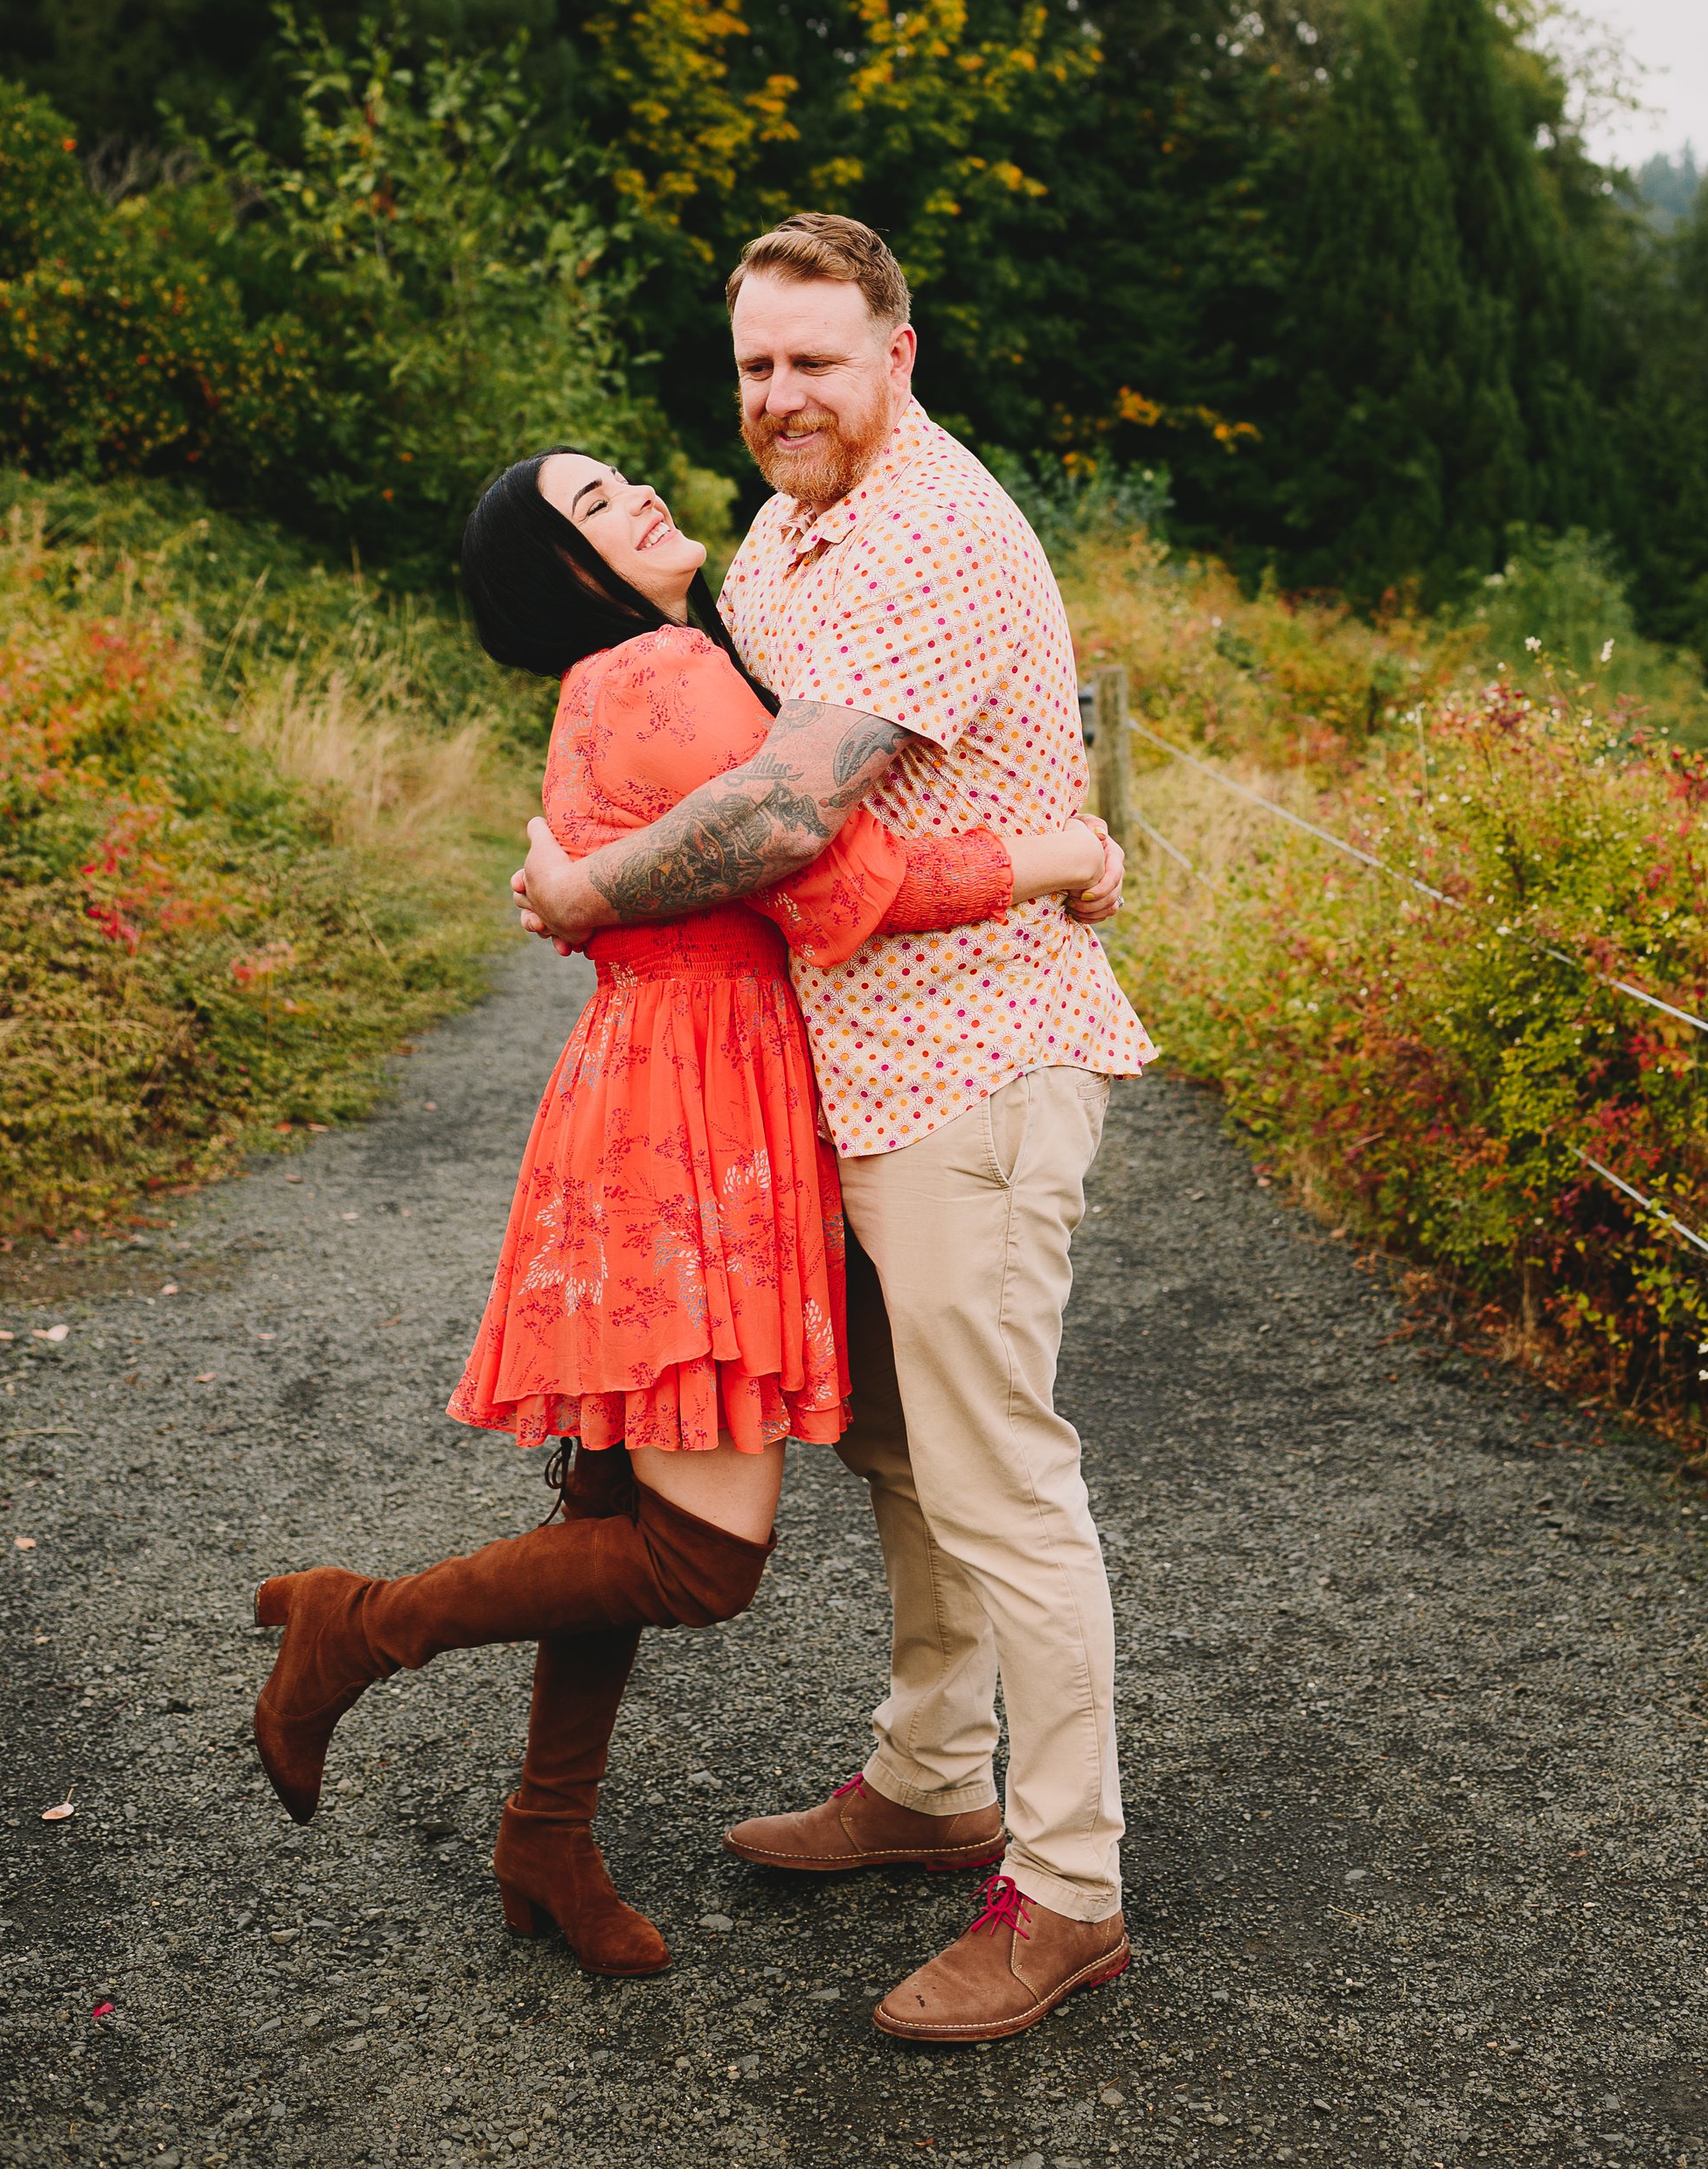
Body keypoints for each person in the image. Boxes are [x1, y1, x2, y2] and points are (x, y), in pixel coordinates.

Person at [249, 443, 1116, 1982]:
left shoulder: (632, 677)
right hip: (692, 1116)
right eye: (590, 509)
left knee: (616, 1506)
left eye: (618, 478)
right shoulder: (662, 673)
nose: (635, 498)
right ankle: (357, 1625)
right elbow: (845, 886)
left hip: (657, 1093)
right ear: (564, 574)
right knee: (701, 1556)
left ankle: (548, 1829)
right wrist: (1060, 853)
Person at [514, 212, 1154, 2046]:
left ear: (899, 354)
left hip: (970, 1070)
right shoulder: (792, 535)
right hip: (848, 1078)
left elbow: (787, 818)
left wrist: (581, 892)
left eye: (815, 359)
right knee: (895, 1449)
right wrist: (1054, 841)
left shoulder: (930, 536)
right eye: (754, 368)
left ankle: (1067, 1887)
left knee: (1002, 1484)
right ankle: (929, 1779)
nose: (780, 396)